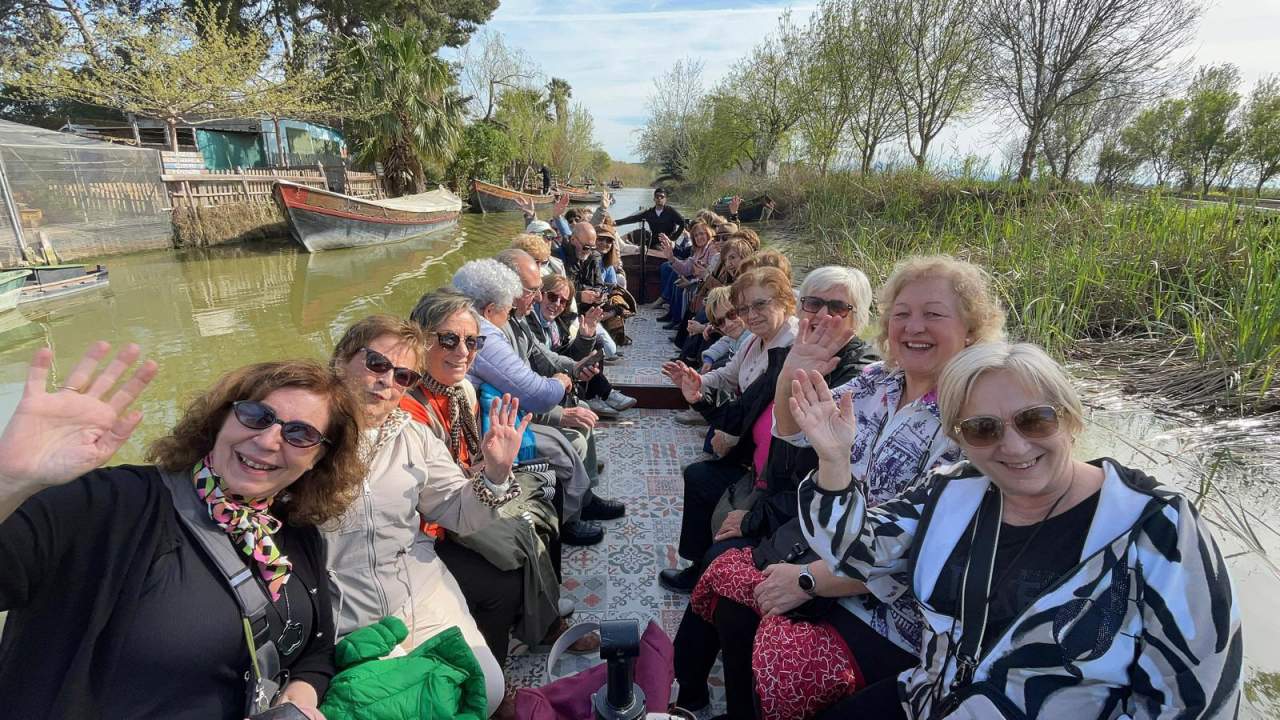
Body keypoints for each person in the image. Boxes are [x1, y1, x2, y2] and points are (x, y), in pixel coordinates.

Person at [793, 341, 1242, 719]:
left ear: (1069, 417)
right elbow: (854, 551)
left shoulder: (1157, 527)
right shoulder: (952, 489)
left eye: (1035, 419)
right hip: (928, 700)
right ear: (959, 437)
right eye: (983, 429)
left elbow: (1196, 698)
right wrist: (834, 462)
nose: (1014, 445)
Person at [692, 255, 1007, 720]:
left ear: (971, 328)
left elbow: (924, 548)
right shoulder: (878, 381)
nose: (913, 326)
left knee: (781, 648)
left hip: (898, 607)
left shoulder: (976, 415)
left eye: (933, 314)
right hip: (827, 551)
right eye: (901, 313)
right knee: (731, 594)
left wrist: (809, 580)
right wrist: (793, 371)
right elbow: (790, 428)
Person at [0, 342, 362, 719]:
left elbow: (314, 653)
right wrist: (9, 480)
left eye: (300, 434)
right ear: (222, 419)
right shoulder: (114, 505)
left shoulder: (295, 534)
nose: (268, 440)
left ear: (318, 458)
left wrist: (299, 696)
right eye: (256, 415)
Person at [668, 266, 878, 717]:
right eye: (814, 304)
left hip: (808, 527)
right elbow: (750, 420)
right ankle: (689, 687)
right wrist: (699, 398)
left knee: (722, 563)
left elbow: (818, 485)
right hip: (774, 496)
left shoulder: (860, 382)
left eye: (836, 307)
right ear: (801, 308)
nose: (822, 315)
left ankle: (698, 690)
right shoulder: (792, 359)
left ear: (858, 317)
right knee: (704, 496)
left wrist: (753, 516)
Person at [401, 291, 600, 671]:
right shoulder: (410, 405)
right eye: (449, 339)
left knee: (546, 491)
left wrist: (493, 466)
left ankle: (543, 617)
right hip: (433, 522)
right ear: (420, 338)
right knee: (505, 570)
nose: (462, 351)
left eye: (471, 342)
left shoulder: (461, 391)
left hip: (466, 485)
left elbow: (472, 457)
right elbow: (435, 495)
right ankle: (495, 672)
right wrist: (490, 475)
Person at [452, 258, 617, 546]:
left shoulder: (513, 322)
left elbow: (544, 358)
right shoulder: (487, 335)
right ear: (494, 306)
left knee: (577, 423)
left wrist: (574, 369)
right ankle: (568, 520)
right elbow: (533, 393)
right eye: (533, 290)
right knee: (568, 441)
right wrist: (559, 395)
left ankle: (582, 499)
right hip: (495, 421)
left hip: (509, 409)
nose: (540, 298)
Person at [658, 267, 799, 593]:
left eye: (760, 305)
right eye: (744, 309)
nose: (751, 315)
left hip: (773, 467)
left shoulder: (789, 351)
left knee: (706, 479)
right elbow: (728, 376)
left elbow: (745, 411)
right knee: (699, 476)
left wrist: (723, 425)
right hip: (749, 447)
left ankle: (711, 570)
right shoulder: (756, 343)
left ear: (785, 302)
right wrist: (696, 383)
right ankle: (697, 567)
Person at [534, 273, 638, 418]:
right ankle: (599, 394)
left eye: (563, 301)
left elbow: (565, 356)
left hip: (556, 375)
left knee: (595, 341)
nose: (557, 304)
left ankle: (596, 394)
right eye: (552, 297)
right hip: (540, 385)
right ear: (539, 295)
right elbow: (546, 361)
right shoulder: (531, 322)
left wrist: (585, 337)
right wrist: (575, 367)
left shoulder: (555, 323)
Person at [614, 187, 686, 249]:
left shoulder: (670, 211)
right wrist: (616, 222)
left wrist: (673, 239)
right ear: (654, 199)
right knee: (641, 245)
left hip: (668, 242)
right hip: (653, 242)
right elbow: (633, 218)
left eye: (662, 197)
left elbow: (682, 223)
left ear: (665, 199)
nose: (659, 198)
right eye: (657, 196)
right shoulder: (649, 213)